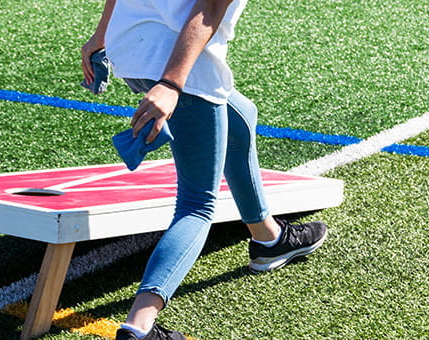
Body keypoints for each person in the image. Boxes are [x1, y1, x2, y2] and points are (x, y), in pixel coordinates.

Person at [81, 1, 327, 339]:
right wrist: (171, 84)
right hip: (177, 62)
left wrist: (102, 34)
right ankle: (140, 326)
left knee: (242, 114)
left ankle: (268, 237)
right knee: (197, 205)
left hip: (131, 46)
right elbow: (209, 7)